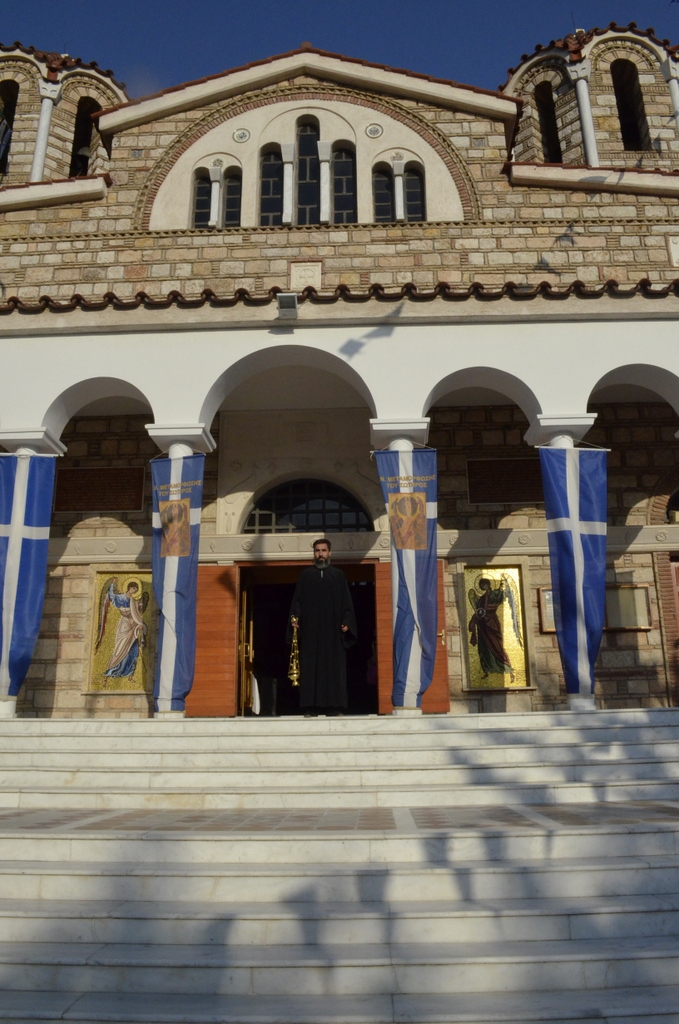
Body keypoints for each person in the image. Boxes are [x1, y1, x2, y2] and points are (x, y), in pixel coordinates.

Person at [287, 538, 357, 716]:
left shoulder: (338, 576)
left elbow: (347, 603)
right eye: (317, 551)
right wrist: (295, 618)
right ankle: (311, 707)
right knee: (311, 669)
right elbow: (297, 602)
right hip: (311, 633)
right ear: (314, 553)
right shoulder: (306, 576)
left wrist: (347, 621)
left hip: (333, 634)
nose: (320, 554)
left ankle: (334, 707)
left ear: (329, 553)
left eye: (324, 550)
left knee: (334, 669)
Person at [468, 577, 515, 683]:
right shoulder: (481, 598)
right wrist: (476, 619)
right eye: (481, 586)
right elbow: (479, 610)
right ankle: (487, 670)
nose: (483, 587)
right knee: (483, 647)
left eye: (484, 585)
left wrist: (502, 586)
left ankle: (507, 669)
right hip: (483, 626)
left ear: (488, 584)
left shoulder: (494, 594)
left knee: (497, 646)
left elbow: (501, 596)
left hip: (492, 623)